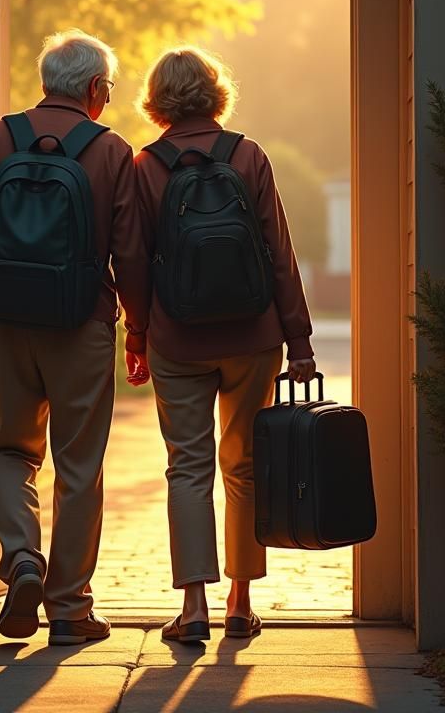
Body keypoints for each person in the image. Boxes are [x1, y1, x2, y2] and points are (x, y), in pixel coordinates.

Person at [0, 29, 150, 646]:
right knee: (78, 465)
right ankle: (69, 609)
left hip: (7, 322)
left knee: (10, 450)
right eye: (109, 89)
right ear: (95, 89)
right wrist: (137, 330)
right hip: (82, 322)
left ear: (44, 82)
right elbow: (130, 254)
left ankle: (22, 559)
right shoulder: (112, 151)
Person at [134, 46, 316, 644]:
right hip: (252, 336)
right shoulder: (247, 155)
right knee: (244, 465)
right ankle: (240, 601)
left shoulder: (146, 165)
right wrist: (299, 340)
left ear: (158, 99)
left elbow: (133, 260)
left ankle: (193, 609)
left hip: (177, 339)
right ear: (215, 92)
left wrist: (138, 331)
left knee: (188, 468)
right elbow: (279, 253)